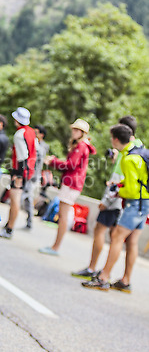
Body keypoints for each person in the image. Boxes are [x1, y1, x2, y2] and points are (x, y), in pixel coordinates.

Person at [72, 115, 142, 279]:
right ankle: (125, 279)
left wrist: (107, 200)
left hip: (119, 198)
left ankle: (96, 270)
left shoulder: (127, 152)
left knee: (101, 230)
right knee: (128, 240)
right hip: (136, 202)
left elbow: (119, 179)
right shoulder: (139, 147)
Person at [82, 124, 149, 292]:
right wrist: (121, 185)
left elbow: (132, 190)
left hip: (135, 204)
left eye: (112, 137)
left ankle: (103, 277)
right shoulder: (139, 152)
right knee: (132, 241)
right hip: (144, 203)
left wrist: (118, 191)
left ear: (116, 139)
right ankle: (125, 281)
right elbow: (138, 182)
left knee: (117, 237)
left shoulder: (128, 159)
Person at [39, 118, 96, 255]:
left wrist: (53, 161)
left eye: (77, 130)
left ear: (83, 133)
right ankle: (55, 246)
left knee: (63, 216)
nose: (74, 132)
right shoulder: (82, 146)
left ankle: (55, 247)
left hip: (71, 184)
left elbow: (70, 165)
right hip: (72, 183)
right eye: (74, 129)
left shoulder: (81, 146)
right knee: (63, 214)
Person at [0, 107, 36, 239]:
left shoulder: (19, 134)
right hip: (28, 171)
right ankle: (8, 225)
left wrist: (18, 175)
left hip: (21, 172)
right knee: (15, 200)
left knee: (14, 200)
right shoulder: (31, 132)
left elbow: (22, 157)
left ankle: (9, 229)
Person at [22, 124, 49, 229]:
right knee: (26, 199)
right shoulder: (34, 144)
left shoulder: (42, 147)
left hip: (34, 177)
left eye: (36, 132)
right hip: (29, 175)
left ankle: (29, 222)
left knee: (28, 198)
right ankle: (29, 221)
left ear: (41, 135)